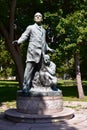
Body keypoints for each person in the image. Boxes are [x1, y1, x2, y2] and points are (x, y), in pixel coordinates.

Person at [12, 12, 54, 93]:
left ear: (42, 19)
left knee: (41, 71)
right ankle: (25, 86)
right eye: (36, 16)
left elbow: (44, 42)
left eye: (39, 16)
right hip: (32, 52)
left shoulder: (44, 30)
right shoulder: (30, 27)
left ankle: (41, 86)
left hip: (41, 53)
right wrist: (18, 41)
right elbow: (25, 35)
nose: (38, 17)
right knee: (29, 70)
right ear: (34, 18)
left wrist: (48, 48)